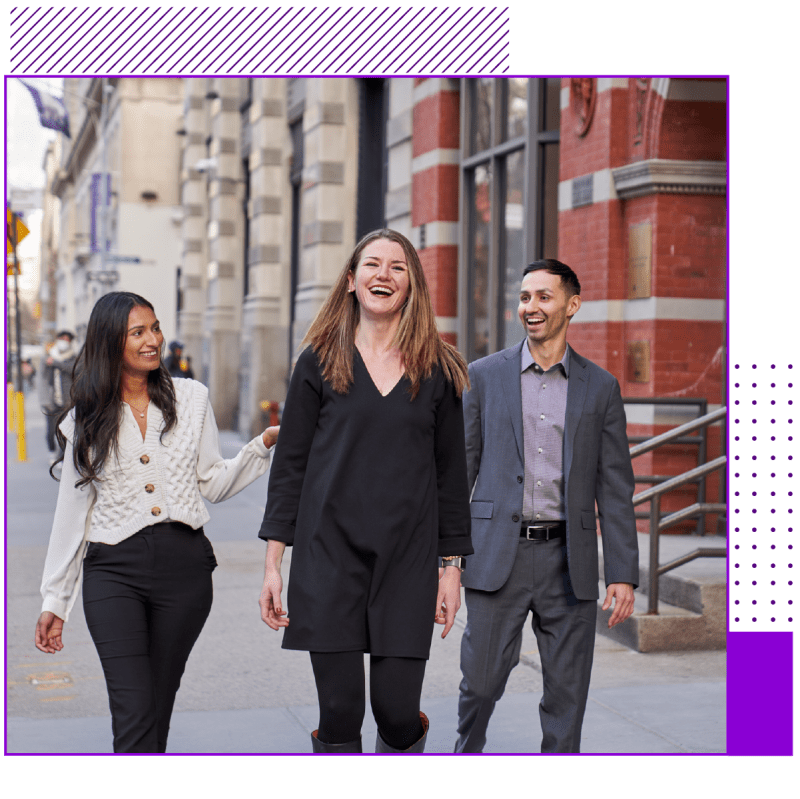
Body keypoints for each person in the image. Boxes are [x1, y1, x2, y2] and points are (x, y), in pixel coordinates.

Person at [34, 291, 279, 754]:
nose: (153, 340)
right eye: (138, 333)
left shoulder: (191, 397)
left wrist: (259, 446)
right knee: (133, 714)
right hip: (113, 573)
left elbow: (212, 481)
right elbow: (72, 512)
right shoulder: (87, 416)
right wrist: (55, 598)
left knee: (155, 714)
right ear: (111, 342)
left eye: (155, 328)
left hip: (184, 572)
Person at [258, 229, 473, 754]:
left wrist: (451, 570)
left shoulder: (437, 370)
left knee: (396, 714)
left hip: (407, 561)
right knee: (339, 712)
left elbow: (451, 475)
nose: (384, 274)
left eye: (397, 267)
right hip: (328, 556)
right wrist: (273, 565)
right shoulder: (317, 362)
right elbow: (290, 466)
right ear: (351, 281)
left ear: (412, 285)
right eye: (372, 265)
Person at [454, 259, 639, 754]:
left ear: (572, 305)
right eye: (524, 298)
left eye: (543, 297)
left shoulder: (600, 388)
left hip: (568, 561)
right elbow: (458, 475)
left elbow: (616, 485)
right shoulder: (483, 377)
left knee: (567, 695)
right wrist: (446, 561)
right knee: (481, 682)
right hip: (497, 556)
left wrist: (622, 571)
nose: (530, 308)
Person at [40, 330, 78, 464]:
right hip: (51, 401)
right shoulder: (47, 357)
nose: (64, 341)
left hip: (67, 402)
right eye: (62, 338)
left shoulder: (73, 357)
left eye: (67, 339)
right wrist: (44, 400)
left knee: (65, 431)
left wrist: (55, 363)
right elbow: (42, 380)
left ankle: (61, 457)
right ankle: (52, 453)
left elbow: (73, 369)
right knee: (50, 432)